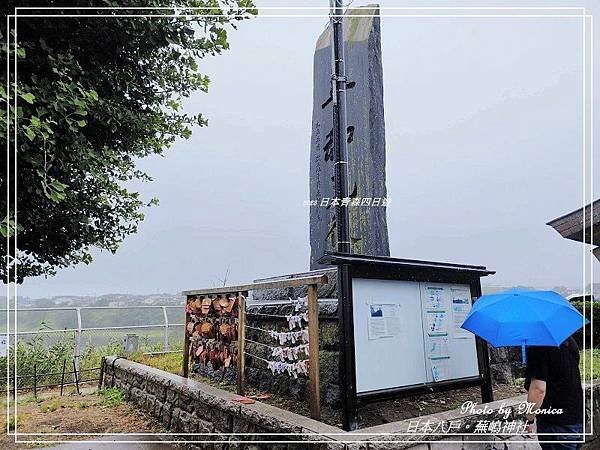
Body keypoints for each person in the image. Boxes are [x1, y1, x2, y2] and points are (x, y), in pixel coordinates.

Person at [524, 336, 584, 449]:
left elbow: (538, 389)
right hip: (575, 418)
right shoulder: (569, 342)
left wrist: (529, 419)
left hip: (555, 424)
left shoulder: (539, 348)